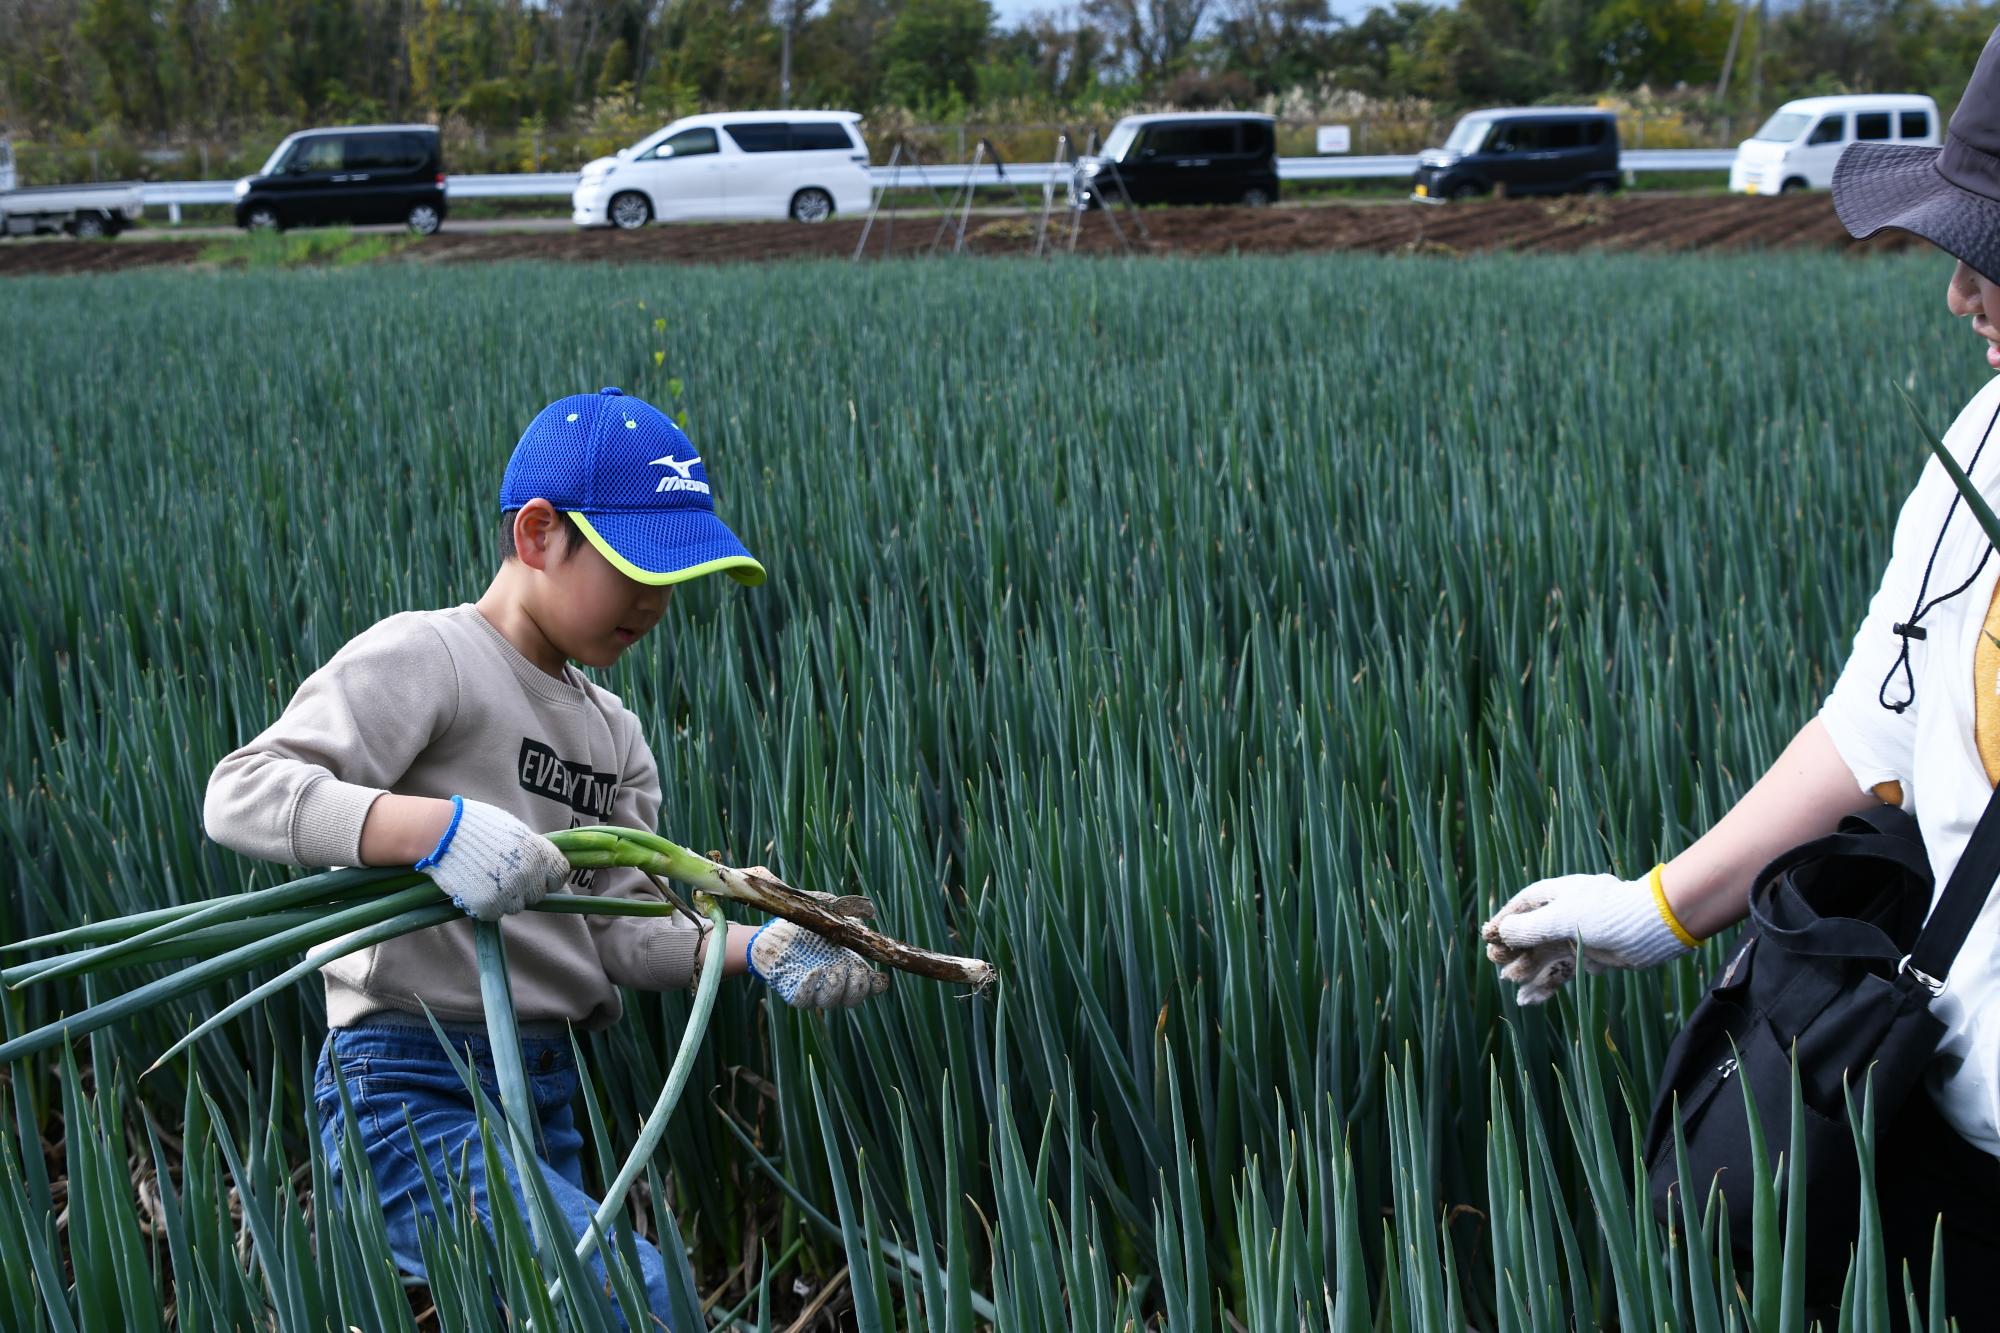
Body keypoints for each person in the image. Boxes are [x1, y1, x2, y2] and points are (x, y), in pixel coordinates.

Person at [1482, 29, 2000, 1321]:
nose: (1961, 295)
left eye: (1993, 254)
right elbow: (1874, 727)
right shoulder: (1983, 448)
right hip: (1965, 1136)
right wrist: (1655, 909)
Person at [202, 386, 887, 1327]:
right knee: (638, 1296)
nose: (654, 602)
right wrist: (435, 831)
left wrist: (758, 947)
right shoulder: (434, 657)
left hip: (544, 1083)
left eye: (674, 578)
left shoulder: (616, 736)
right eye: (635, 567)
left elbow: (622, 929)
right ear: (537, 534)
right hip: (408, 1081)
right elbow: (241, 790)